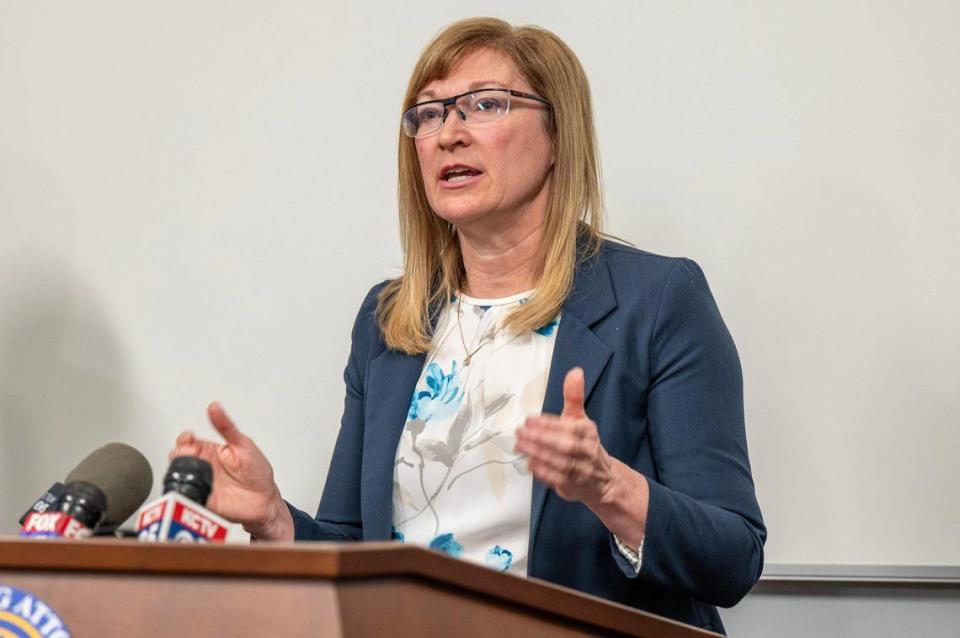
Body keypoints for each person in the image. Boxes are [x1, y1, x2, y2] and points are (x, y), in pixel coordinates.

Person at [171, 17, 765, 634]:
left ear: (559, 135)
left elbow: (733, 558)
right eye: (428, 115)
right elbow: (356, 548)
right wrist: (275, 519)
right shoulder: (388, 320)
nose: (449, 133)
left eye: (484, 105)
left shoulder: (658, 300)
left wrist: (610, 487)